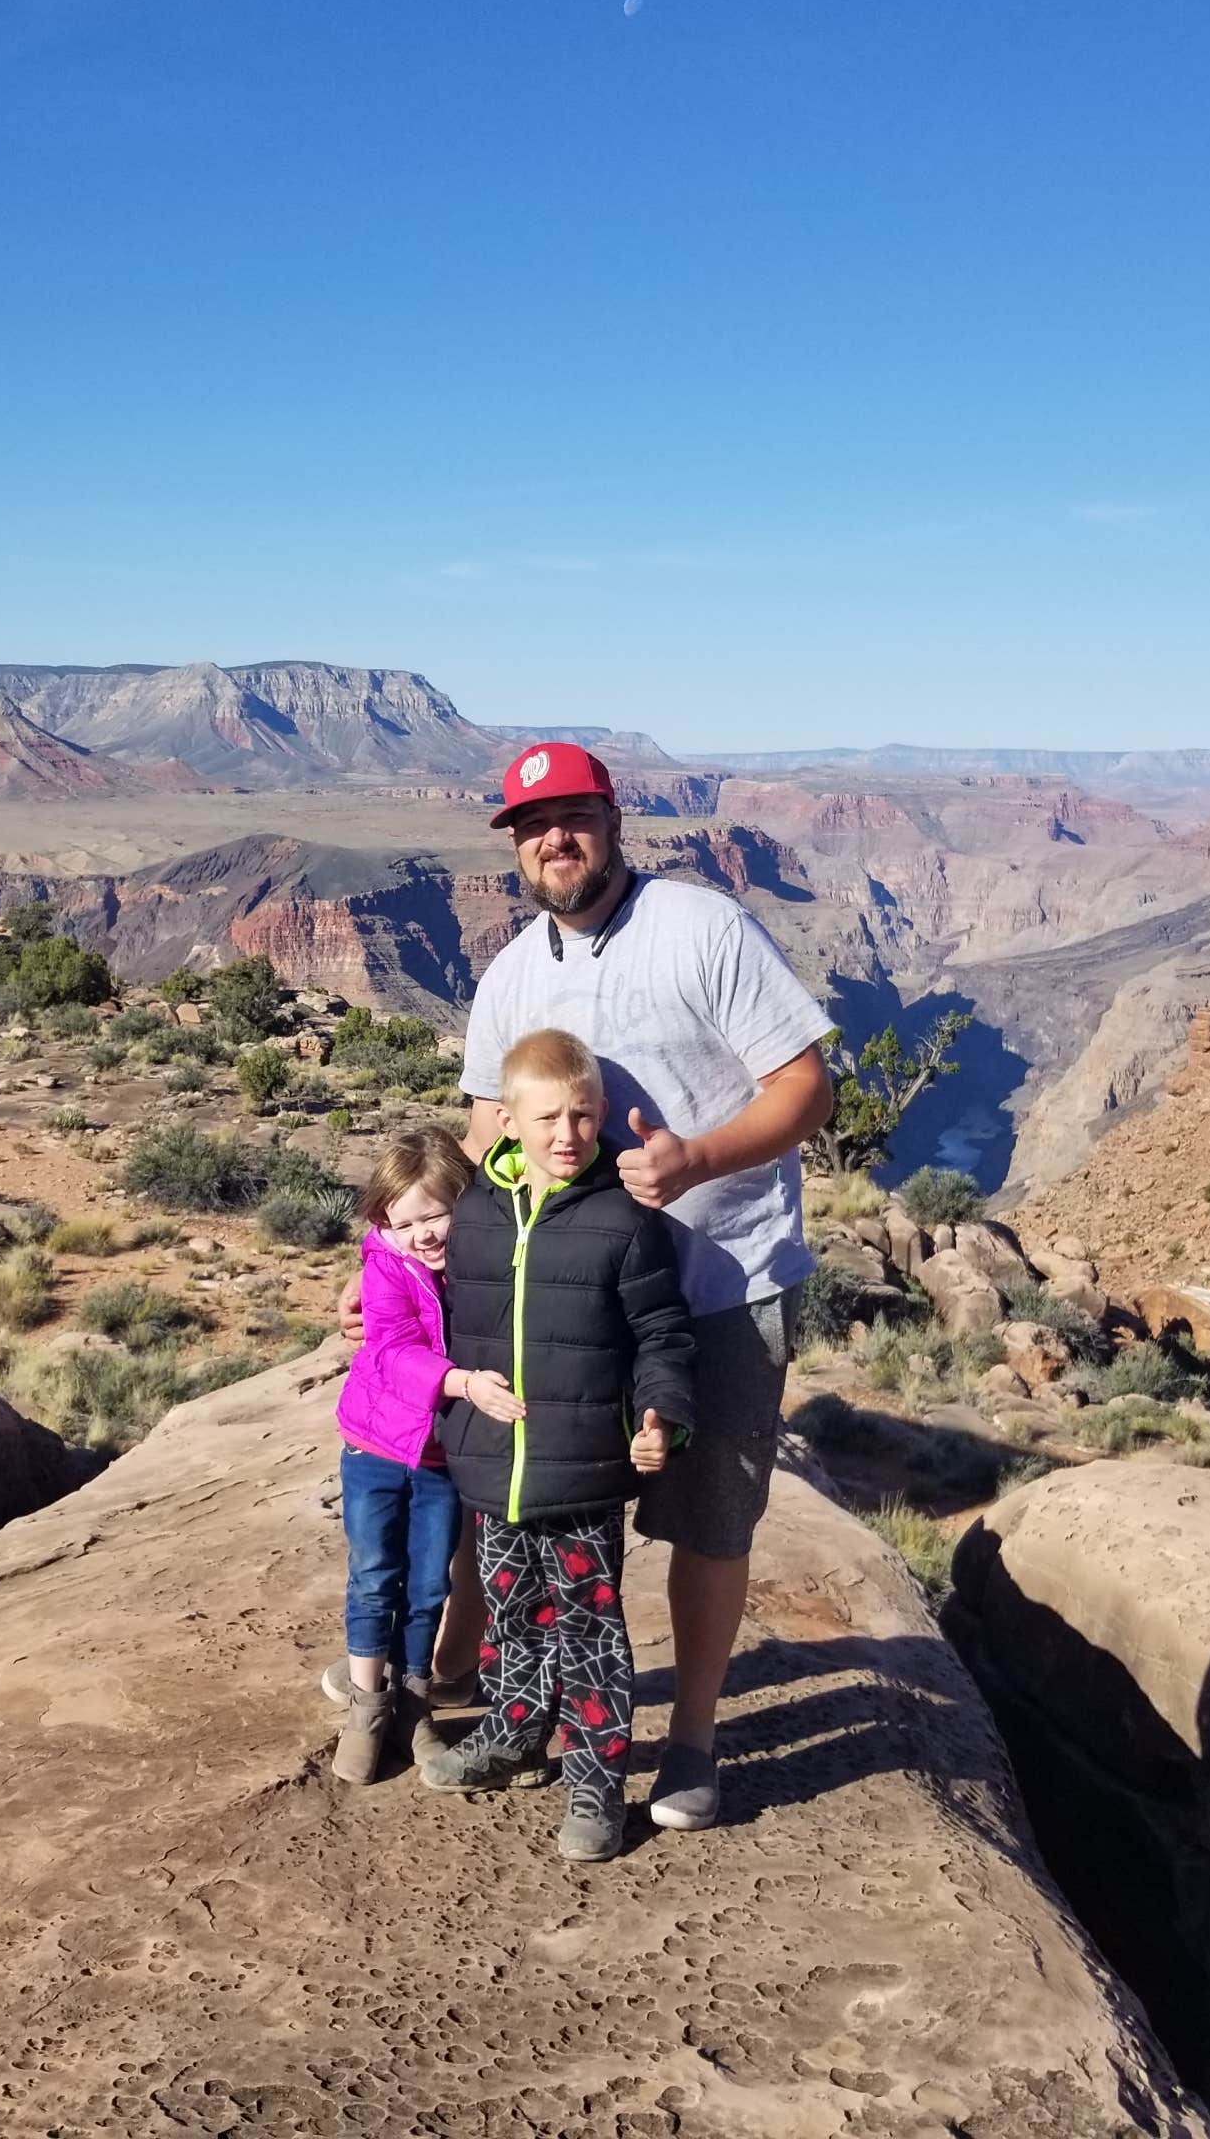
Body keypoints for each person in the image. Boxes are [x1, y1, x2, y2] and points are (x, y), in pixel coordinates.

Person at [345, 738, 836, 1833]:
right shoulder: (514, 974)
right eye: (531, 826)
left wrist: (696, 1159)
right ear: (515, 845)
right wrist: (395, 1264)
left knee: (707, 1520)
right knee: (521, 1497)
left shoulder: (702, 928)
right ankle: (495, 1703)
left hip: (718, 1284)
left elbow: (808, 1088)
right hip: (557, 1304)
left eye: (572, 817)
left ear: (613, 822)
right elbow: (476, 1144)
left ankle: (694, 1744)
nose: (553, 840)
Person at [415, 1028, 697, 1862]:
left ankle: (597, 1785)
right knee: (508, 1610)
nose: (566, 1135)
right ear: (506, 1120)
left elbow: (662, 1335)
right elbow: (439, 1309)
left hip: (583, 1468)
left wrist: (660, 1418)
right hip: (493, 1463)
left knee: (590, 1627)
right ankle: (513, 1735)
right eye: (546, 1118)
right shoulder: (472, 1214)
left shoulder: (624, 1218)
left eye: (582, 1115)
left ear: (603, 1114)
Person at [326, 1125, 524, 1784]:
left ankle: (415, 1706)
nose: (425, 1233)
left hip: (443, 1456)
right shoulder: (386, 1269)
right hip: (377, 1447)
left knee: (430, 1581)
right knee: (375, 1571)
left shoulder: (481, 1265)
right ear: (385, 1222)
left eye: (437, 1214)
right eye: (406, 1221)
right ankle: (367, 1707)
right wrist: (461, 1383)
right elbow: (390, 1350)